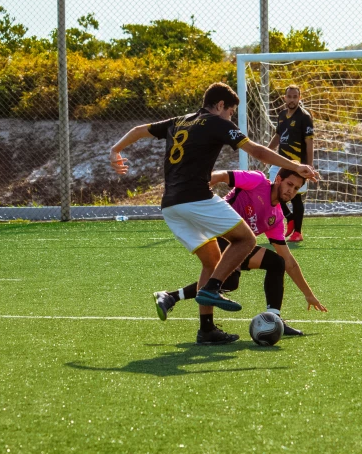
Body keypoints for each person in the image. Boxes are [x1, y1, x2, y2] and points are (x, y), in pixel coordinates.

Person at [109, 82, 317, 345]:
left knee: (212, 261)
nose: (231, 118)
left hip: (171, 205)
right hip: (196, 197)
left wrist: (115, 150)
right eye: (231, 112)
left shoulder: (180, 120)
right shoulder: (218, 123)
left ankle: (206, 329)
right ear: (221, 106)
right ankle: (212, 288)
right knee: (245, 240)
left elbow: (139, 130)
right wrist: (295, 164)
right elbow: (256, 150)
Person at [153, 168, 328, 335]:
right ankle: (178, 303)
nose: (291, 191)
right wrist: (198, 192)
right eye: (289, 184)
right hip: (216, 232)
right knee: (229, 280)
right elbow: (222, 175)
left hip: (239, 245)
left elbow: (289, 261)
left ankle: (274, 318)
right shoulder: (257, 181)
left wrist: (308, 295)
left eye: (296, 188)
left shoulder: (276, 217)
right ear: (278, 179)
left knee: (275, 263)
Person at [267, 85, 314, 242]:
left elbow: (309, 142)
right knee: (272, 187)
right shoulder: (281, 115)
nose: (292, 99)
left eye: (295, 97)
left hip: (298, 164)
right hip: (281, 162)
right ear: (285, 98)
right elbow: (278, 136)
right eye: (290, 96)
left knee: (296, 197)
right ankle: (289, 216)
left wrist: (309, 166)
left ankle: (298, 232)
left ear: (299, 98)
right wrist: (265, 152)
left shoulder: (305, 117)